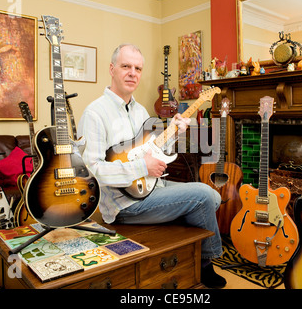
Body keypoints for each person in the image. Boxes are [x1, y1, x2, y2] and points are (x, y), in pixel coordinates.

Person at [78, 43, 226, 288]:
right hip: (125, 204)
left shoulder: (141, 111)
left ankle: (189, 247)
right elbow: (91, 170)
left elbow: (155, 150)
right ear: (112, 69)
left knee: (213, 195)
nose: (132, 73)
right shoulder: (95, 113)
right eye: (126, 66)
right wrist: (141, 168)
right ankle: (206, 263)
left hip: (151, 186)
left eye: (137, 68)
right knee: (201, 196)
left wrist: (176, 133)